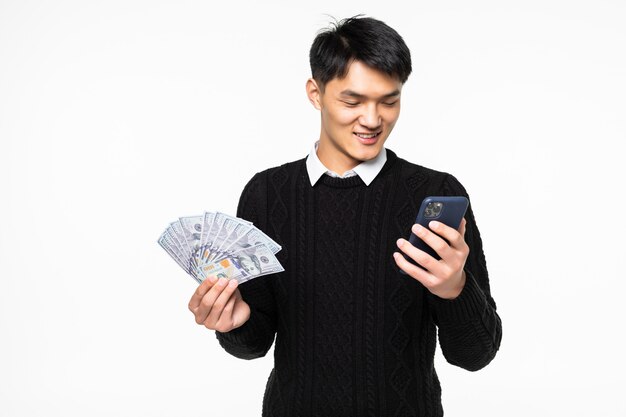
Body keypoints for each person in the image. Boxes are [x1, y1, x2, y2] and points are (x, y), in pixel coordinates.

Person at [187, 15, 502, 417]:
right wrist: (234, 322)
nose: (373, 120)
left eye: (389, 100)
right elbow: (253, 345)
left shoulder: (436, 194)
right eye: (352, 102)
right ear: (315, 93)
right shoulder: (266, 195)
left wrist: (455, 288)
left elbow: (476, 354)